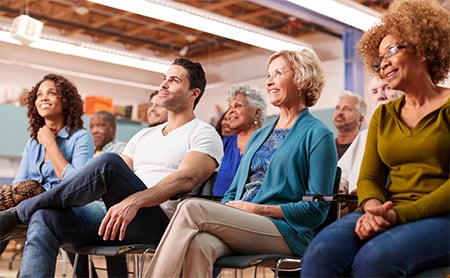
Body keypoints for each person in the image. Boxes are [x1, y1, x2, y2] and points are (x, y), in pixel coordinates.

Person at [0, 58, 223, 278]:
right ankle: (27, 212)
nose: (164, 84)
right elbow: (110, 181)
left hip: (163, 224)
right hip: (117, 216)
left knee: (108, 162)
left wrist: (133, 201)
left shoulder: (204, 133)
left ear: (194, 93)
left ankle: (18, 213)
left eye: (174, 80)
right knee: (44, 217)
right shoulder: (144, 135)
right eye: (164, 78)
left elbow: (185, 179)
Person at [145, 49, 337, 278]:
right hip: (245, 223)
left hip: (287, 231)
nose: (270, 81)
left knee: (191, 206)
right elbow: (233, 192)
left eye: (278, 73)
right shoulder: (260, 135)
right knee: (200, 244)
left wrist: (258, 209)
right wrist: (229, 211)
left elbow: (317, 210)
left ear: (302, 79)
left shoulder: (318, 135)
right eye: (268, 75)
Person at [301, 0, 450, 276]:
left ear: (424, 49)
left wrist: (397, 216)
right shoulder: (384, 116)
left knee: (375, 259)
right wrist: (372, 209)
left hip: (442, 216)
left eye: (393, 50)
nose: (384, 64)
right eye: (380, 60)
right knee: (320, 254)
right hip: (387, 210)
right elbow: (370, 178)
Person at [0, 74, 94, 259]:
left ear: (66, 101)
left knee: (31, 188)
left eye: (51, 93)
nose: (43, 97)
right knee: (17, 197)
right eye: (39, 94)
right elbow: (18, 185)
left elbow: (76, 186)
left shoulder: (81, 138)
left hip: (63, 206)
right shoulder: (33, 143)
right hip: (27, 206)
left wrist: (51, 145)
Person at [338, 77, 402, 194]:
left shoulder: (412, 131)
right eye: (374, 92)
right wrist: (340, 187)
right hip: (360, 206)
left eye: (387, 88)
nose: (380, 96)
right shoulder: (364, 136)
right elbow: (342, 174)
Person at [212, 85, 267, 196]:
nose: (230, 111)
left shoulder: (268, 144)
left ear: (257, 113)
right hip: (216, 206)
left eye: (238, 106)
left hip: (247, 209)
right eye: (230, 107)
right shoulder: (226, 142)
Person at [333, 90, 367, 159]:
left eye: (347, 109)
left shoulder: (366, 148)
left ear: (360, 118)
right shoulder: (327, 147)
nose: (339, 112)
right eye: (337, 108)